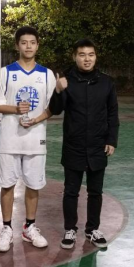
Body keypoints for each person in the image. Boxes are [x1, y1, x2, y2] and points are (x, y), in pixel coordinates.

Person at [0, 26, 56, 252]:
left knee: (33, 185)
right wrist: (16, 109)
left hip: (36, 140)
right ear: (17, 45)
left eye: (32, 42)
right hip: (10, 139)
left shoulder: (46, 75)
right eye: (24, 42)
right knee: (7, 184)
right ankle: (6, 229)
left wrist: (36, 120)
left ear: (38, 45)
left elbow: (53, 107)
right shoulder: (5, 73)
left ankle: (29, 227)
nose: (28, 46)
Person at [48, 38, 119, 249]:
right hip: (74, 145)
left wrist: (111, 139)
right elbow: (56, 110)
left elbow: (112, 113)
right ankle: (70, 229)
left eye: (91, 55)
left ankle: (92, 229)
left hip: (98, 145)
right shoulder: (66, 81)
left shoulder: (106, 82)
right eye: (82, 55)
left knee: (95, 192)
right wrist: (58, 90)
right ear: (74, 57)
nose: (87, 59)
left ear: (95, 57)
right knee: (71, 191)